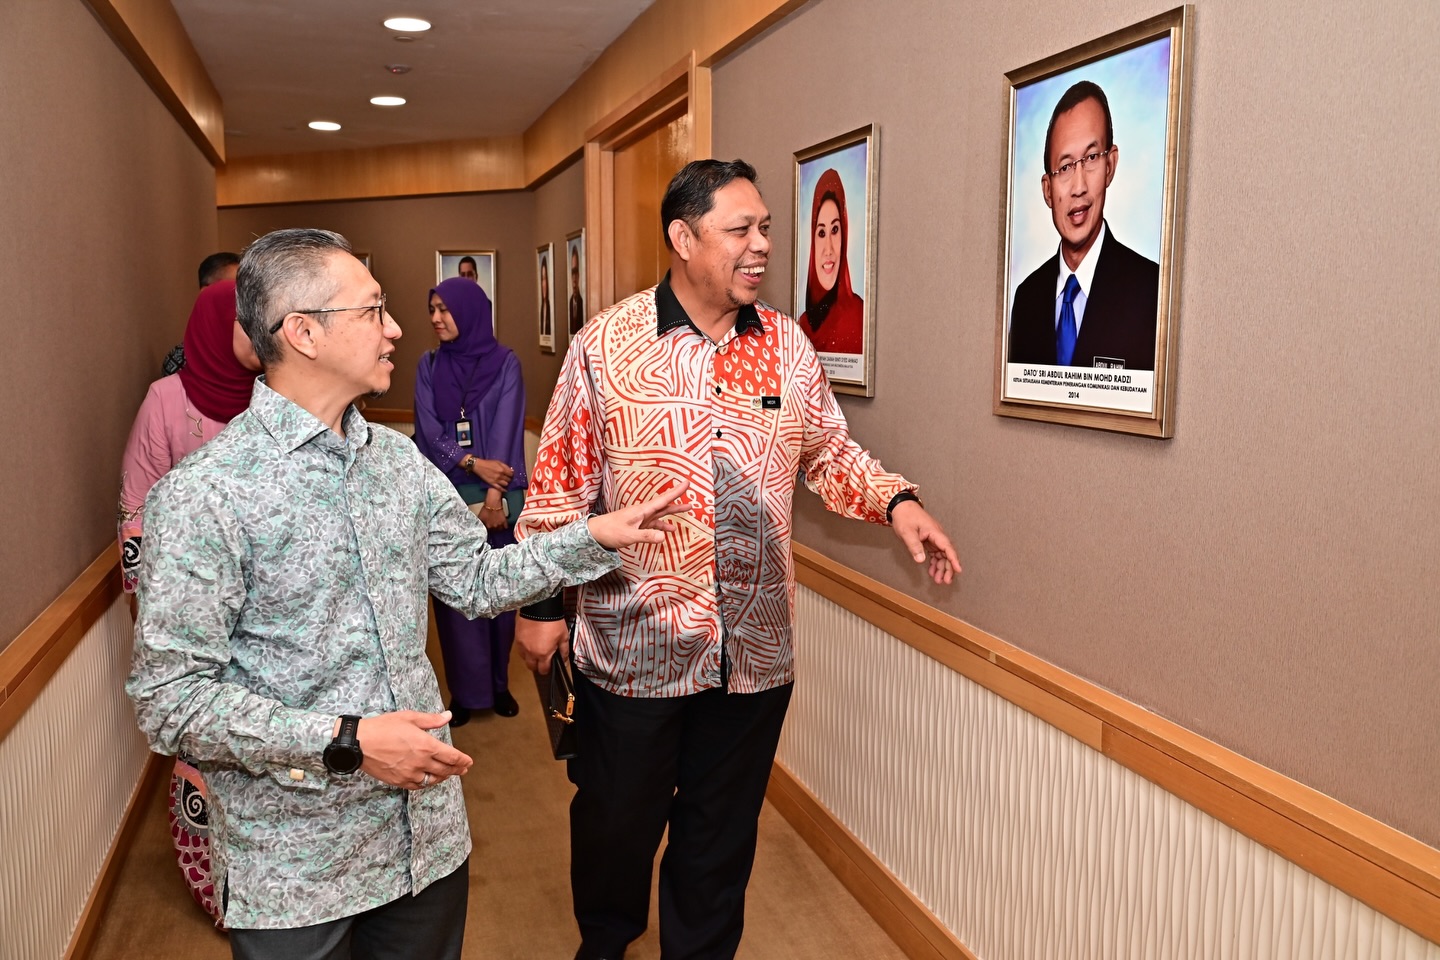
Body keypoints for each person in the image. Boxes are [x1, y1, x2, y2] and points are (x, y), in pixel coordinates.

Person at [126, 227, 691, 960]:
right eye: (372, 310)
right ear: (303, 333)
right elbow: (172, 702)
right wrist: (348, 743)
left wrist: (592, 538)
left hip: (425, 847)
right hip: (296, 872)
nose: (395, 329)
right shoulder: (205, 494)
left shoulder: (397, 464)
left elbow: (477, 579)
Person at [514, 160, 959, 960]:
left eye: (766, 230)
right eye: (740, 230)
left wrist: (897, 502)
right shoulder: (605, 347)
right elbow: (559, 486)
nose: (762, 246)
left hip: (753, 654)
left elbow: (829, 453)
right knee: (616, 826)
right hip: (635, 648)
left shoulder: (786, 346)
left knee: (718, 842)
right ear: (683, 239)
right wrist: (542, 607)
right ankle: (606, 944)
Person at [118, 278, 260, 926]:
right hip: (193, 616)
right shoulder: (165, 400)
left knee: (271, 754)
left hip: (268, 615)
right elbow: (135, 506)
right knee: (205, 754)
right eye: (244, 320)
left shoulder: (277, 396)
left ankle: (277, 898)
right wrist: (148, 602)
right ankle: (218, 894)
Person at [414, 277, 527, 724]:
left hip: (498, 499)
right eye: (432, 309)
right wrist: (470, 463)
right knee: (455, 598)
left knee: (500, 593)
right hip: (448, 497)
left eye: (444, 309)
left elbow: (508, 428)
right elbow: (427, 430)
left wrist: (495, 496)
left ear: (470, 312)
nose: (436, 318)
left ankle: (498, 685)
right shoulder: (428, 365)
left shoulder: (506, 363)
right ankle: (465, 692)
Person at [1006, 80, 1159, 371]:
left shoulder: (1152, 291)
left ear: (1110, 166)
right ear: (1047, 190)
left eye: (1090, 158)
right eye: (1064, 167)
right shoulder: (1026, 299)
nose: (1079, 187)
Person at [796, 168, 864, 355]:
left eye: (835, 230)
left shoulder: (860, 317)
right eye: (821, 233)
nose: (828, 249)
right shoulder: (801, 327)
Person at [163, 251, 242, 375]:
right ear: (205, 293)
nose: (243, 298)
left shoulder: (257, 353)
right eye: (233, 288)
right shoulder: (180, 360)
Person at [568, 245, 585, 335]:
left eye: (576, 272)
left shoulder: (583, 303)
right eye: (572, 273)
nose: (574, 279)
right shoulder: (570, 302)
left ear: (579, 274)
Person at [539, 254, 553, 339]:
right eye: (542, 279)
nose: (544, 284)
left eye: (545, 279)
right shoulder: (541, 308)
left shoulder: (550, 308)